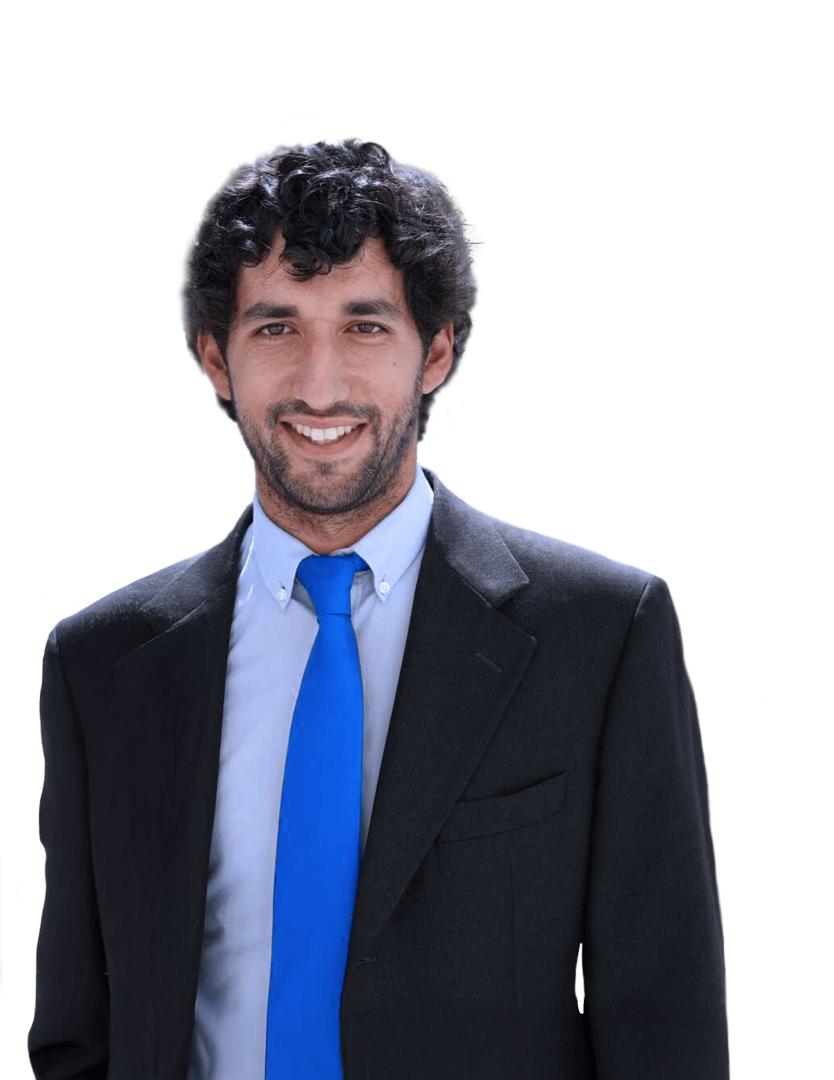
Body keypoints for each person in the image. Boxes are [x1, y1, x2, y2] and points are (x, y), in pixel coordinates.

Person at [28, 136, 730, 1079]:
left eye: (364, 326)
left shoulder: (601, 633)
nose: (320, 385)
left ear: (435, 352)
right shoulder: (100, 662)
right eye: (276, 328)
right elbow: (77, 1029)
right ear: (215, 359)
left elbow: (666, 1026)